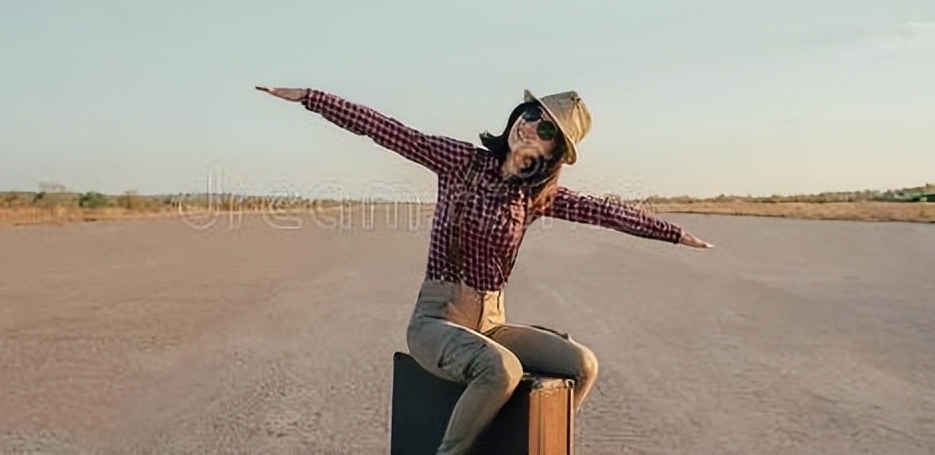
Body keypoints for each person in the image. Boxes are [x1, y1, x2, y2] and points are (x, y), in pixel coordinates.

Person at [257, 86, 713, 455]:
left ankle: (536, 443)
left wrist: (674, 233)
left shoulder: (535, 198)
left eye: (546, 128)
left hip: (491, 323)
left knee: (582, 365)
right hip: (437, 321)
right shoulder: (461, 163)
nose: (530, 125)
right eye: (531, 114)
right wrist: (312, 98)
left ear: (553, 150)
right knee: (501, 369)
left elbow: (606, 212)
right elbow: (388, 131)